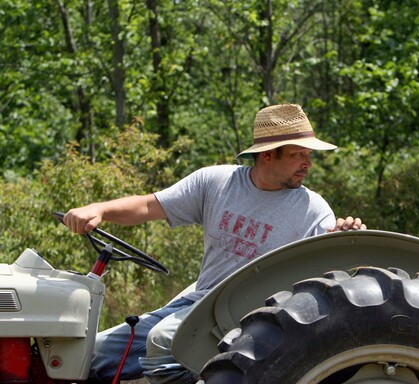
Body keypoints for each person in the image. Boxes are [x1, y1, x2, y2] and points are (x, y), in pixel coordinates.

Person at [63, 103, 366, 384]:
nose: (307, 164)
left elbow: (328, 267)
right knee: (92, 355)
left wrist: (343, 235)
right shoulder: (216, 183)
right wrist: (99, 210)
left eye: (308, 155)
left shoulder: (312, 209)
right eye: (298, 155)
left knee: (162, 341)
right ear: (267, 154)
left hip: (251, 317)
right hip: (201, 302)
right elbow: (147, 206)